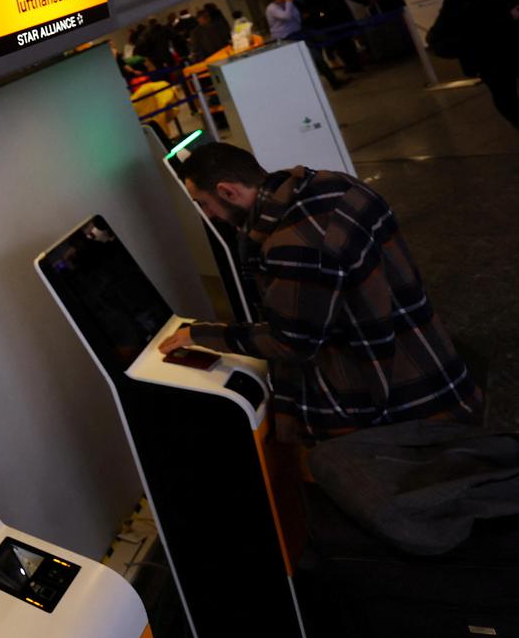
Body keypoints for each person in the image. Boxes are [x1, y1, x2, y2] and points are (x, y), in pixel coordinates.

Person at [162, 143, 482, 443]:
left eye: (204, 204)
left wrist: (201, 335)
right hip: (429, 356)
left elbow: (292, 341)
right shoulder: (332, 184)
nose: (209, 216)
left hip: (397, 394)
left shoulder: (294, 241)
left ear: (227, 191)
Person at [431, 0, 519, 128]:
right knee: (505, 95)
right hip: (490, 57)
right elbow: (469, 30)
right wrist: (507, 18)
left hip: (513, 45)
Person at [268, 0, 346, 88]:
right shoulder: (272, 8)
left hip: (300, 33)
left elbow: (296, 16)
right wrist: (289, 1)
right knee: (314, 57)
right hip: (287, 38)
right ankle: (329, 81)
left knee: (318, 53)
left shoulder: (289, 4)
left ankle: (332, 80)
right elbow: (287, 16)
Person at [295, 0, 371, 72]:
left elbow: (313, 11)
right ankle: (356, 64)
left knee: (338, 44)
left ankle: (349, 65)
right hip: (344, 18)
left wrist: (320, 17)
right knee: (348, 42)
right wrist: (366, 2)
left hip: (328, 23)